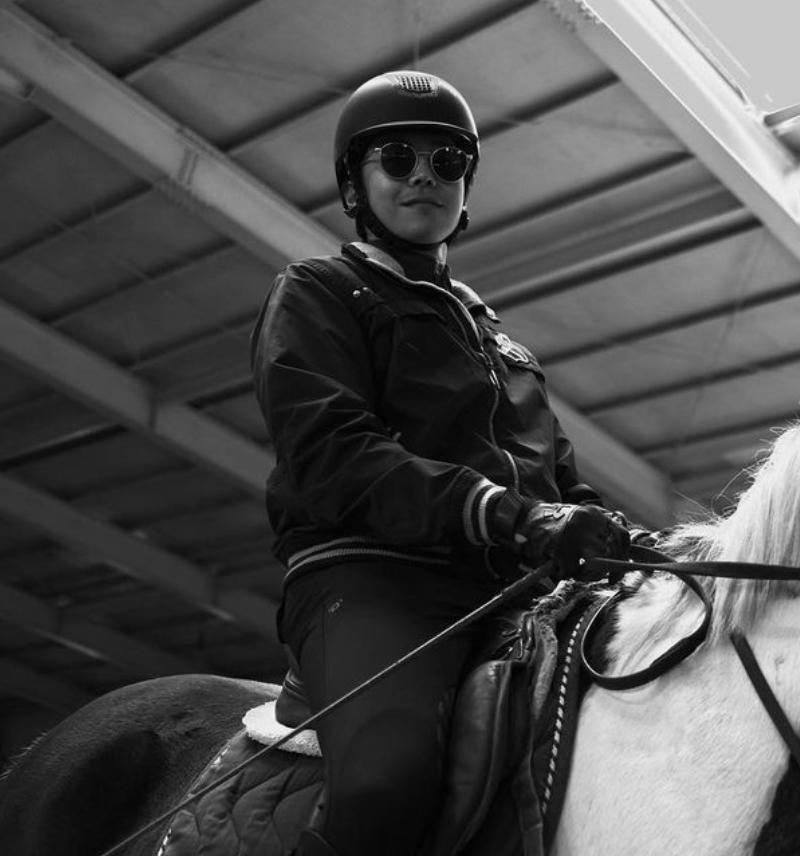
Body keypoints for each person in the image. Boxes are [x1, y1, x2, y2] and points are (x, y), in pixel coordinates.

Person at [250, 70, 633, 856]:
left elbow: (558, 478)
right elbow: (332, 453)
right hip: (375, 578)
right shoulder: (320, 291)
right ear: (353, 187)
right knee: (387, 782)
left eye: (447, 161)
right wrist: (505, 514)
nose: (424, 175)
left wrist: (615, 534)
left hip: (515, 587)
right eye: (397, 158)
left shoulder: (499, 340)